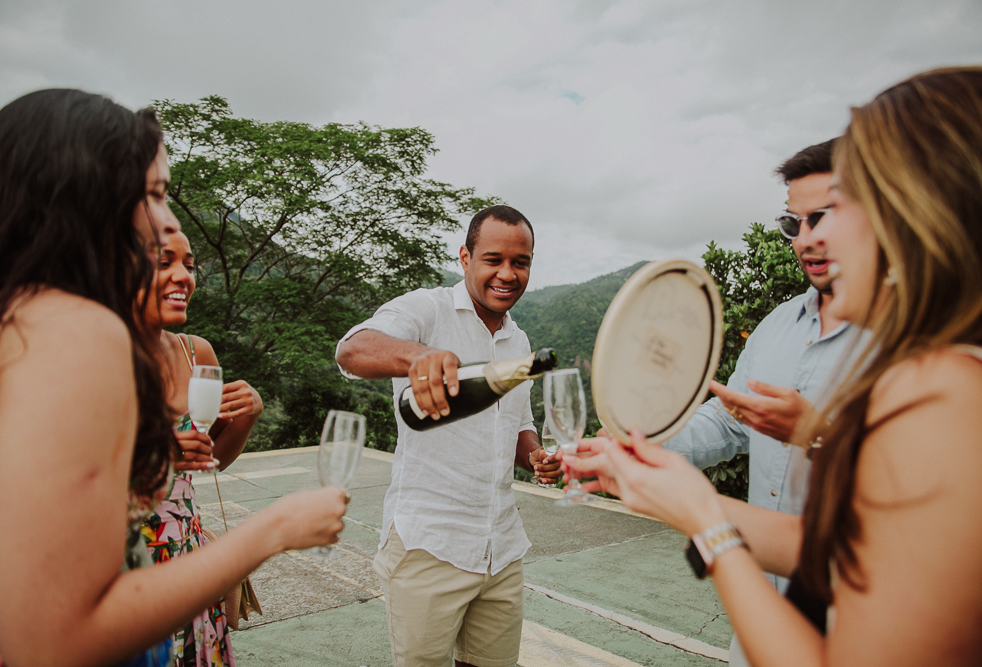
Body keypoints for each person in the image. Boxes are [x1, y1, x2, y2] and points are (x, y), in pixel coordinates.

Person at [569, 66, 982, 666]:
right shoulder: (932, 369)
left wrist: (707, 519)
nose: (815, 237)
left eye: (841, 206)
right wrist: (652, 483)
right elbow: (841, 549)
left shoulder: (939, 394)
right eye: (799, 221)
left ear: (913, 214)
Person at [0, 88, 348, 667]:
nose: (170, 221)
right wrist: (271, 531)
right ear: (85, 196)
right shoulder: (74, 333)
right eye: (154, 194)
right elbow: (53, 642)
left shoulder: (7, 319)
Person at [335, 205, 561, 667]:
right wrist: (418, 355)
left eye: (520, 263)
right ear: (465, 257)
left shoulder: (518, 342)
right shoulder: (427, 309)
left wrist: (538, 455)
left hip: (501, 549)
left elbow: (516, 424)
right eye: (493, 259)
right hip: (427, 545)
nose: (507, 273)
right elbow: (352, 349)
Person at [664, 139, 865, 586]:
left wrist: (818, 435)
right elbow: (733, 421)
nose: (806, 239)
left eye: (823, 218)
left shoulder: (914, 341)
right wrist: (647, 442)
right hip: (766, 593)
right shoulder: (778, 324)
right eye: (793, 224)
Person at [139, 230, 264, 666]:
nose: (184, 276)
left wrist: (247, 417)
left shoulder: (197, 353)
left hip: (187, 549)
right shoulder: (92, 356)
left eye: (189, 265)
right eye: (164, 261)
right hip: (126, 557)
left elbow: (208, 459)